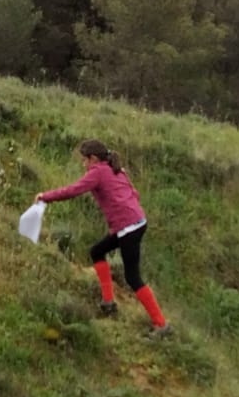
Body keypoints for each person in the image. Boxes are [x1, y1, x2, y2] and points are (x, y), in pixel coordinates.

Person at [34, 139, 170, 337]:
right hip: (135, 222)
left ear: (93, 158)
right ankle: (108, 303)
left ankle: (161, 324)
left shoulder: (97, 172)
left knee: (132, 277)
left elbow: (73, 190)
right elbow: (134, 193)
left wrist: (45, 196)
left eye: (84, 160)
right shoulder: (116, 169)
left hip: (128, 228)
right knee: (97, 251)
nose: (83, 164)